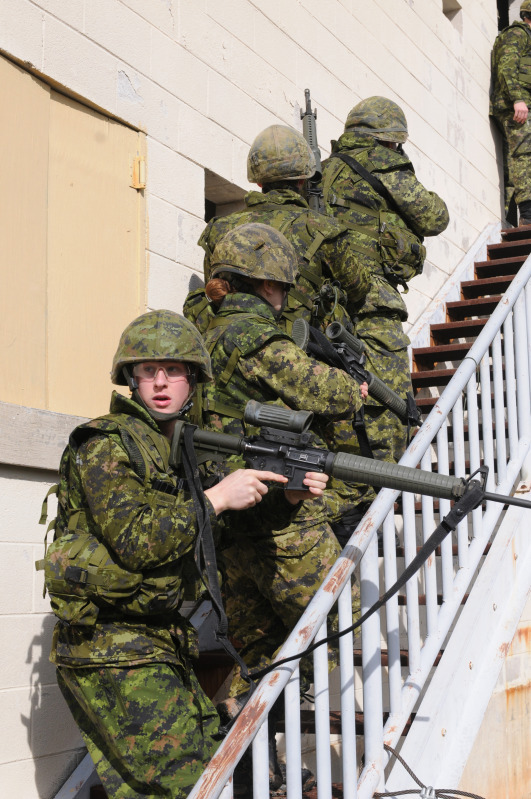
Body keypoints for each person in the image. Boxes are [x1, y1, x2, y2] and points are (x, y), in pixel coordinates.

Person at [41, 310, 328, 799]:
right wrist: (217, 497)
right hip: (111, 647)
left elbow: (221, 528)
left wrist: (286, 499)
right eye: (148, 370)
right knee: (192, 783)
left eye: (174, 371)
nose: (160, 382)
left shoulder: (178, 446)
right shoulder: (106, 443)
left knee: (189, 777)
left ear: (192, 380)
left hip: (156, 641)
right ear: (131, 378)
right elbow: (136, 539)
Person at [320, 96, 449, 471]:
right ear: (389, 138)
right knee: (391, 400)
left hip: (329, 304)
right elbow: (433, 217)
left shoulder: (322, 171)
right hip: (372, 302)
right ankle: (387, 470)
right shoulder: (384, 163)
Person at [185, 124, 370, 336]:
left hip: (236, 349)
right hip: (303, 356)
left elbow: (216, 287)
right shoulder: (323, 229)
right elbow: (359, 288)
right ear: (303, 179)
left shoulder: (219, 229)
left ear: (257, 181)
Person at [490, 0, 531, 226]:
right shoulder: (517, 34)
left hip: (524, 106)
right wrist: (518, 99)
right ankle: (528, 215)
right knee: (524, 154)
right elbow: (507, 67)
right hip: (515, 107)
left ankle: (512, 215)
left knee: (516, 161)